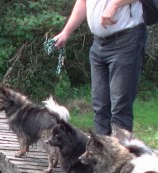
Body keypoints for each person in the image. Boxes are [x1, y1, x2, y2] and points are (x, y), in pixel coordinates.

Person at [54, 0, 147, 135]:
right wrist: (66, 32)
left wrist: (114, 5)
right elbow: (83, 2)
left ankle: (118, 154)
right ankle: (100, 153)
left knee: (120, 107)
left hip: (126, 40)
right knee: (100, 106)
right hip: (99, 43)